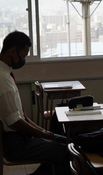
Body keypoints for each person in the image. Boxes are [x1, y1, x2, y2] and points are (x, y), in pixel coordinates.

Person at [0, 31, 70, 175]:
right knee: (67, 151)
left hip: (18, 137)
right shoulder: (3, 79)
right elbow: (15, 121)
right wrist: (42, 134)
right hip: (15, 143)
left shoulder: (5, 74)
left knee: (68, 142)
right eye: (23, 56)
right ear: (13, 51)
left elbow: (20, 116)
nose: (22, 61)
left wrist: (43, 132)